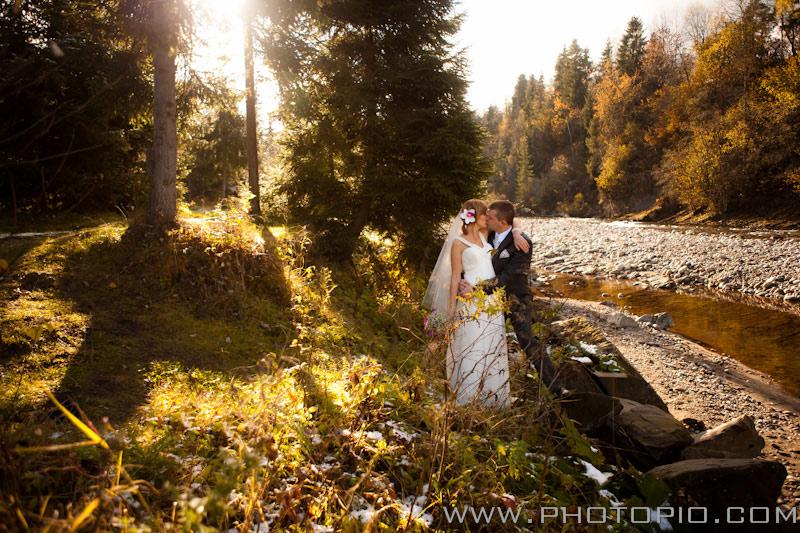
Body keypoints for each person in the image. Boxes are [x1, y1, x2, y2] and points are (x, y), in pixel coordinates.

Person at [422, 199, 530, 407]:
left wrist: (516, 232)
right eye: (484, 215)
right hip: (471, 298)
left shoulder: (485, 236)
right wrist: (452, 306)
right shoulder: (458, 243)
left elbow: (511, 222)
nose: (487, 218)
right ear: (473, 217)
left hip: (491, 301)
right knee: (472, 345)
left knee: (491, 343)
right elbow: (455, 276)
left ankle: (492, 397)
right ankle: (467, 399)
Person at [459, 200, 565, 396]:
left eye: (489, 217)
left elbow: (508, 278)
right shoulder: (488, 234)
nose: (485, 219)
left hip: (516, 298)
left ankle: (556, 388)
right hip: (490, 299)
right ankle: (484, 386)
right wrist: (462, 280)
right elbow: (466, 252)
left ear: (501, 221)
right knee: (485, 338)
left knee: (526, 339)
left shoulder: (522, 243)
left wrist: (476, 288)